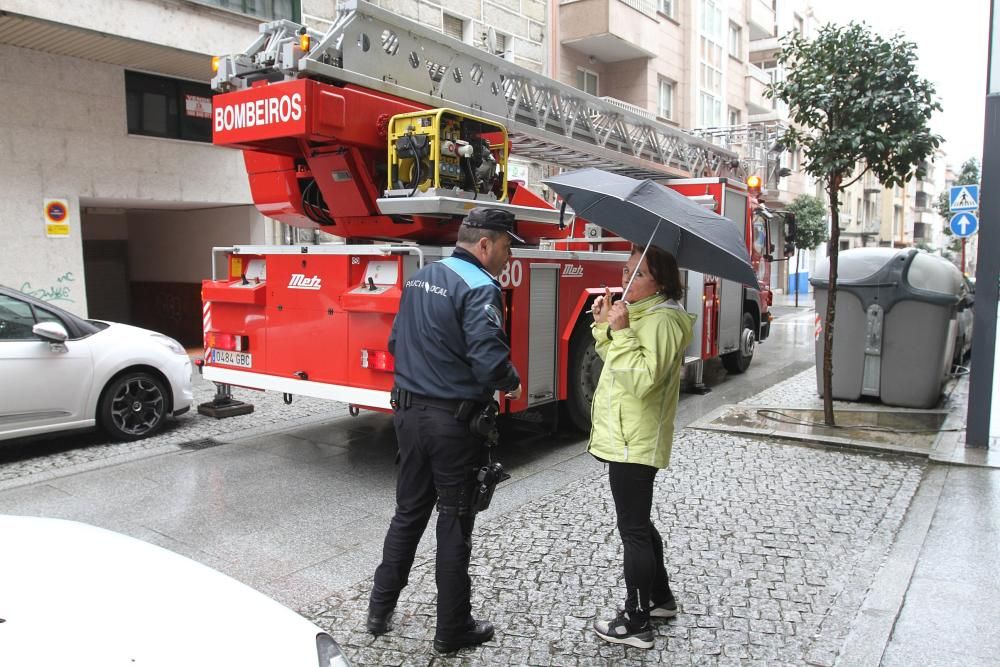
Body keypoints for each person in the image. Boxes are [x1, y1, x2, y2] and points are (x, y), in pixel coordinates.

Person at [367, 207, 523, 653]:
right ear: (486, 244)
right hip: (454, 424)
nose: (506, 255)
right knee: (454, 522)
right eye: (508, 246)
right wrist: (511, 380)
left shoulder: (422, 276)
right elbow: (489, 359)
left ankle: (379, 610)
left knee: (408, 513)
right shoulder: (480, 286)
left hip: (408, 417)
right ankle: (452, 629)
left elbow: (397, 342)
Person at [588, 244, 695, 649]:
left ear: (661, 282)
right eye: (626, 269)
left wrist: (622, 331)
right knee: (640, 523)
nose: (626, 279)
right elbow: (616, 362)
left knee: (632, 529)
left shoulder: (664, 320)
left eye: (639, 273)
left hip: (636, 439)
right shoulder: (644, 313)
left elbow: (643, 379)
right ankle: (660, 599)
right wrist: (605, 328)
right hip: (624, 434)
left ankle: (636, 621)